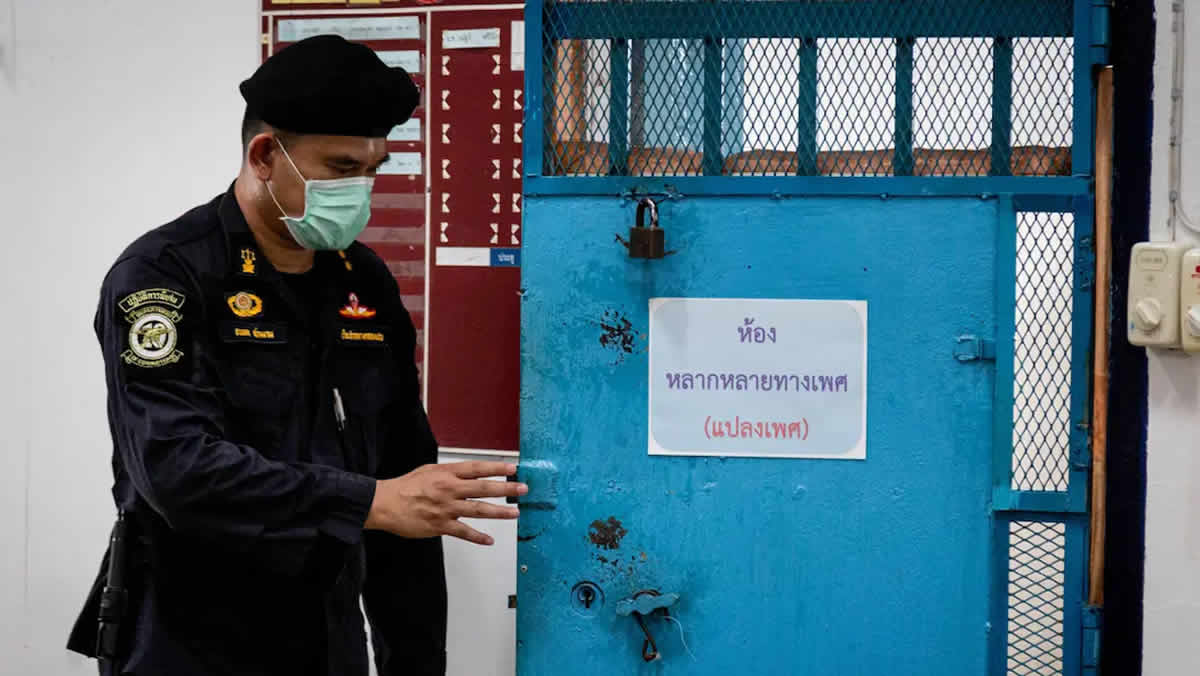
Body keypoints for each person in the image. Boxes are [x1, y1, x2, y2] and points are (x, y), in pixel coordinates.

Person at [66, 35, 527, 676]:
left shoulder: (363, 282)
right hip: (189, 642)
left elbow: (407, 487)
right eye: (341, 168)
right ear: (264, 156)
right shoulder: (165, 276)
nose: (360, 189)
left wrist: (415, 662)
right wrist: (368, 502)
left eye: (373, 169)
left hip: (327, 641)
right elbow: (177, 471)